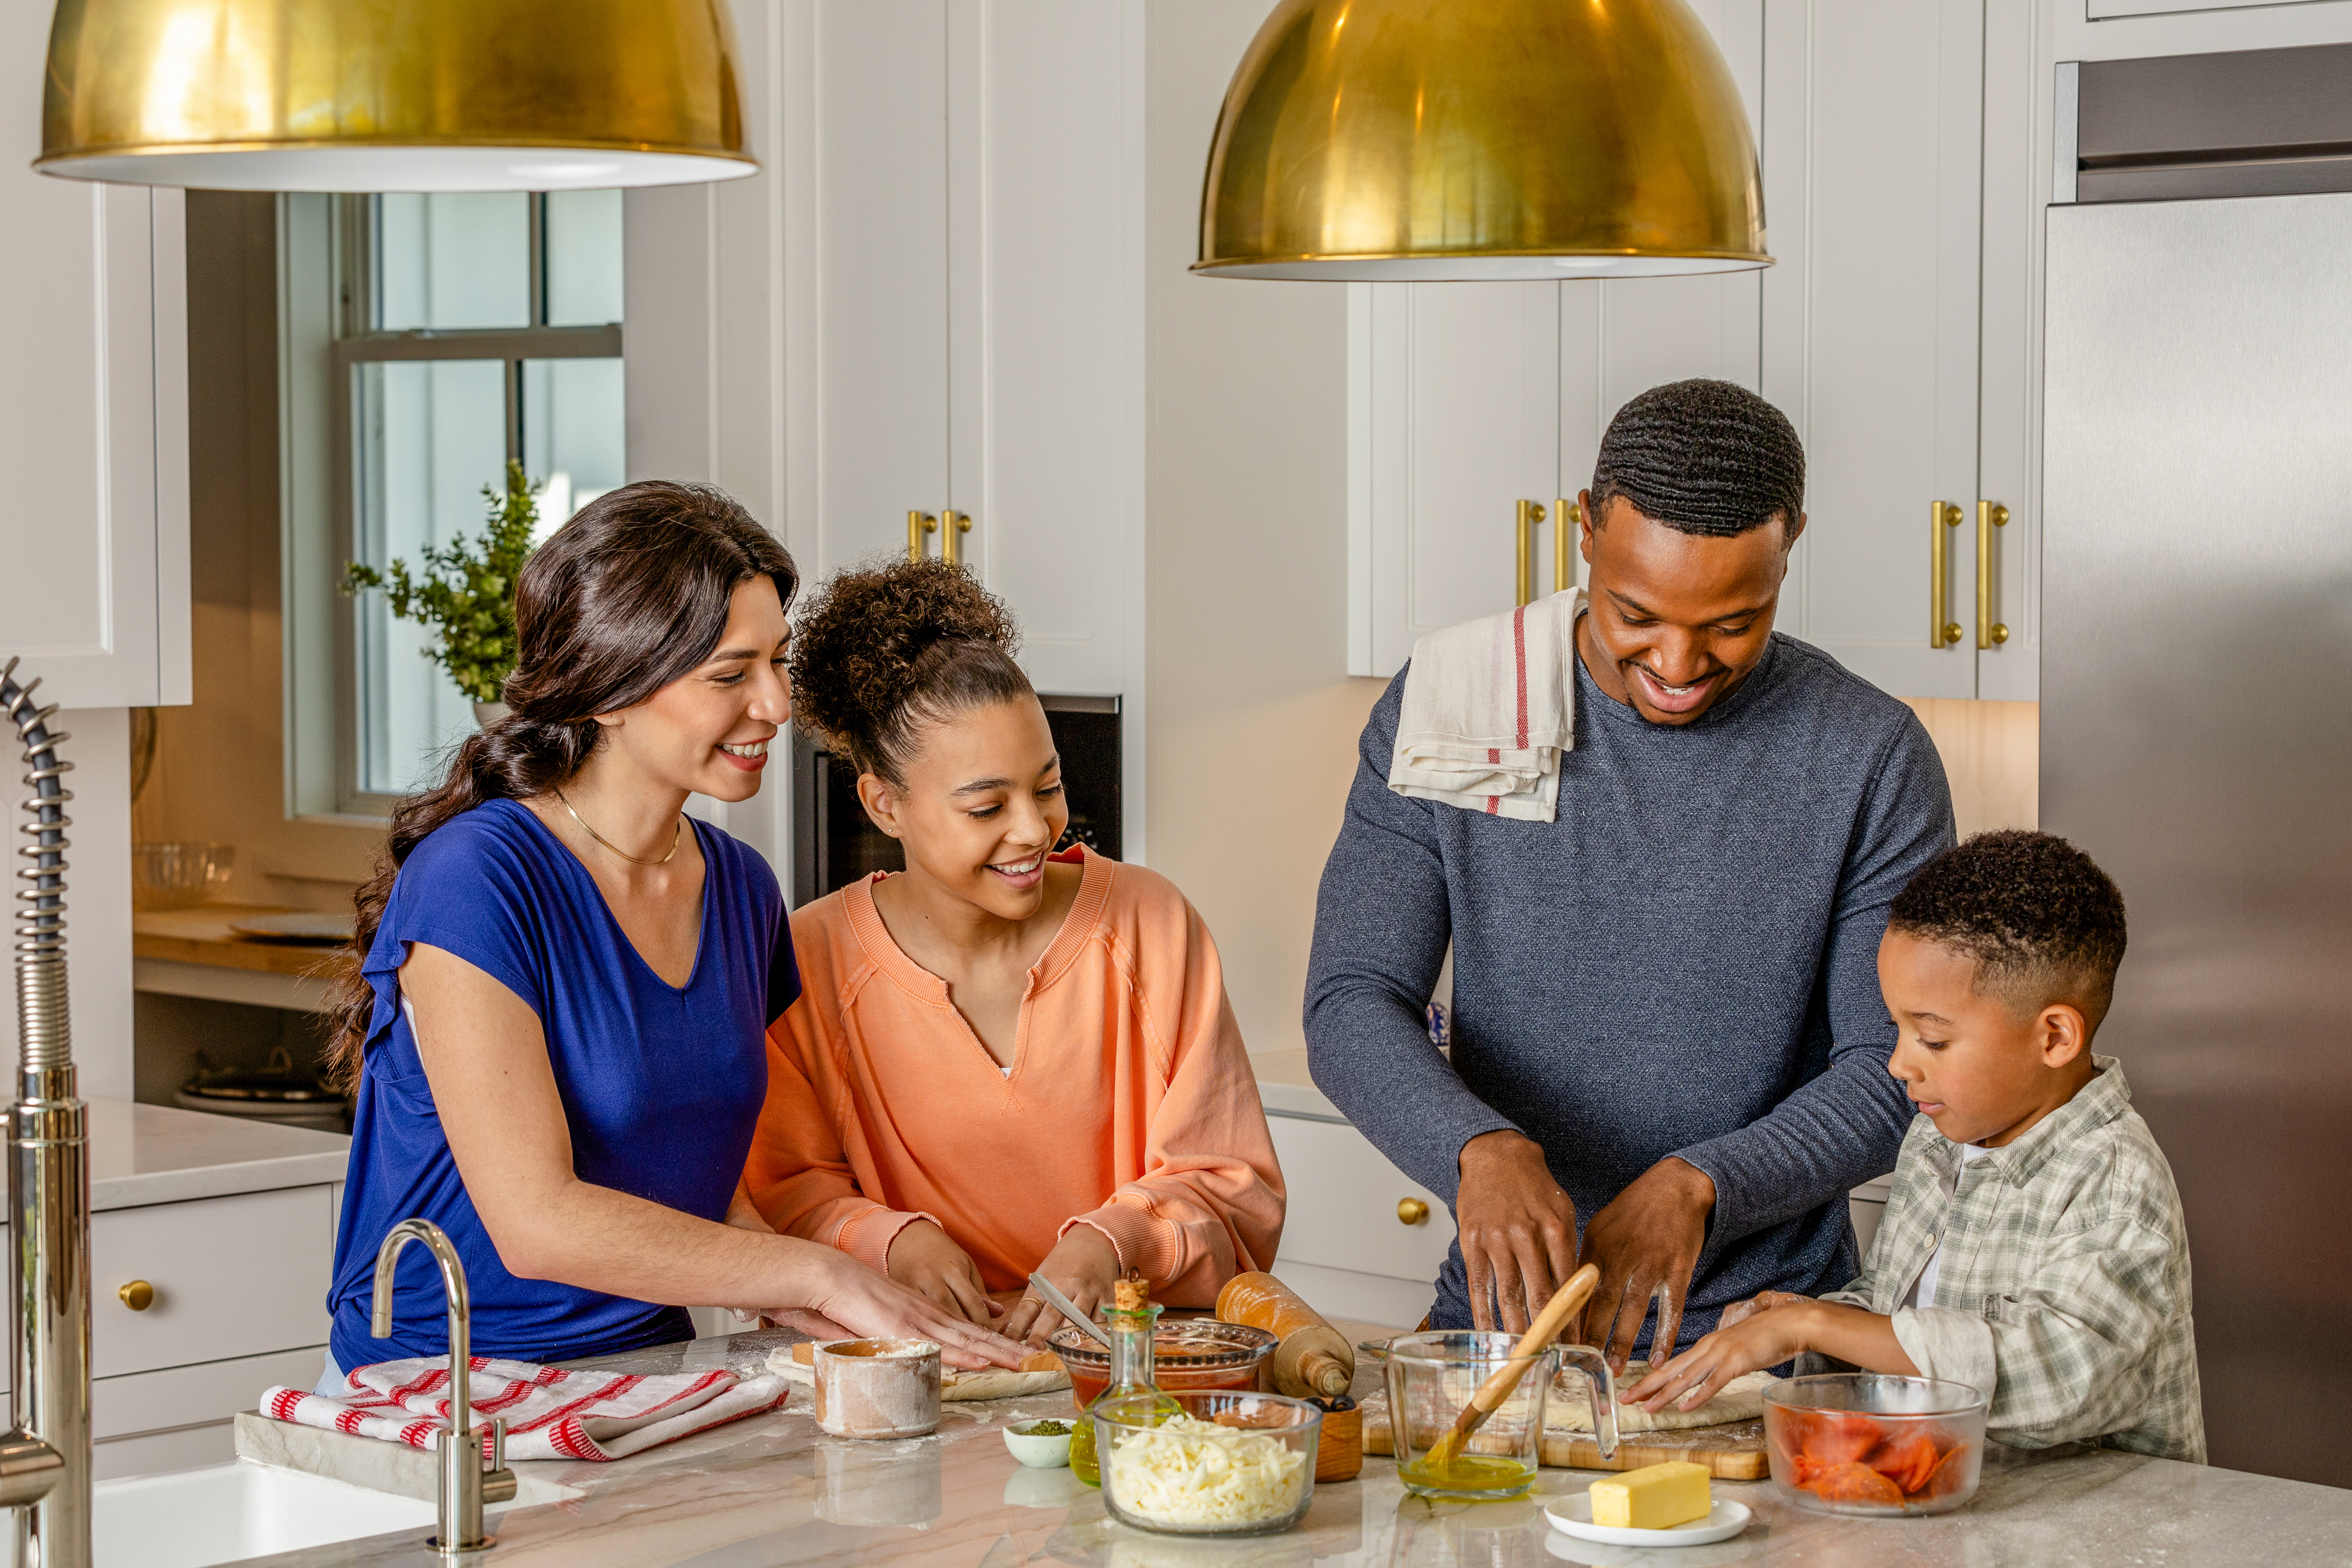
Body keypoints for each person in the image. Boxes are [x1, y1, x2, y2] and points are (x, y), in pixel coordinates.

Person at [1307, 379, 1956, 1364]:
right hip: (1505, 1330)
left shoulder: (1870, 755)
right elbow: (1351, 999)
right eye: (1636, 612)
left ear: (1793, 547)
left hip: (1768, 1342)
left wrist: (1700, 1182)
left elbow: (1890, 1071)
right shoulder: (1455, 705)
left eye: (1734, 622)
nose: (1680, 660)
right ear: (1584, 530)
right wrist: (1478, 1147)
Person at [322, 483, 1025, 1389]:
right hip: (444, 1388)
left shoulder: (741, 889)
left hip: (648, 1372)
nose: (776, 704)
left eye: (778, 660)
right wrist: (818, 1270)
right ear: (611, 691)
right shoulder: (477, 879)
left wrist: (839, 1307)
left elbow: (697, 1183)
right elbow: (536, 1220)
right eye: (731, 675)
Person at [742, 557, 1284, 1343]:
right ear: (883, 802)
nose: (1033, 828)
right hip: (917, 1378)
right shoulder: (807, 959)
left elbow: (1238, 1189)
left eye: (1048, 785)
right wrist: (891, 1238)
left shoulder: (1151, 925)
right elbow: (784, 1198)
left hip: (1133, 1385)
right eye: (987, 805)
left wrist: (1112, 1241)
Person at [1624, 831, 2204, 1462]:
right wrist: (1801, 1323)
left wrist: (1815, 1325)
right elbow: (1895, 1308)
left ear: (2056, 1036)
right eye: (1895, 1028)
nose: (1898, 1064)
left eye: (1931, 1040)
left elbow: (2062, 1376)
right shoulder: (1935, 1140)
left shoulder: (2113, 1178)